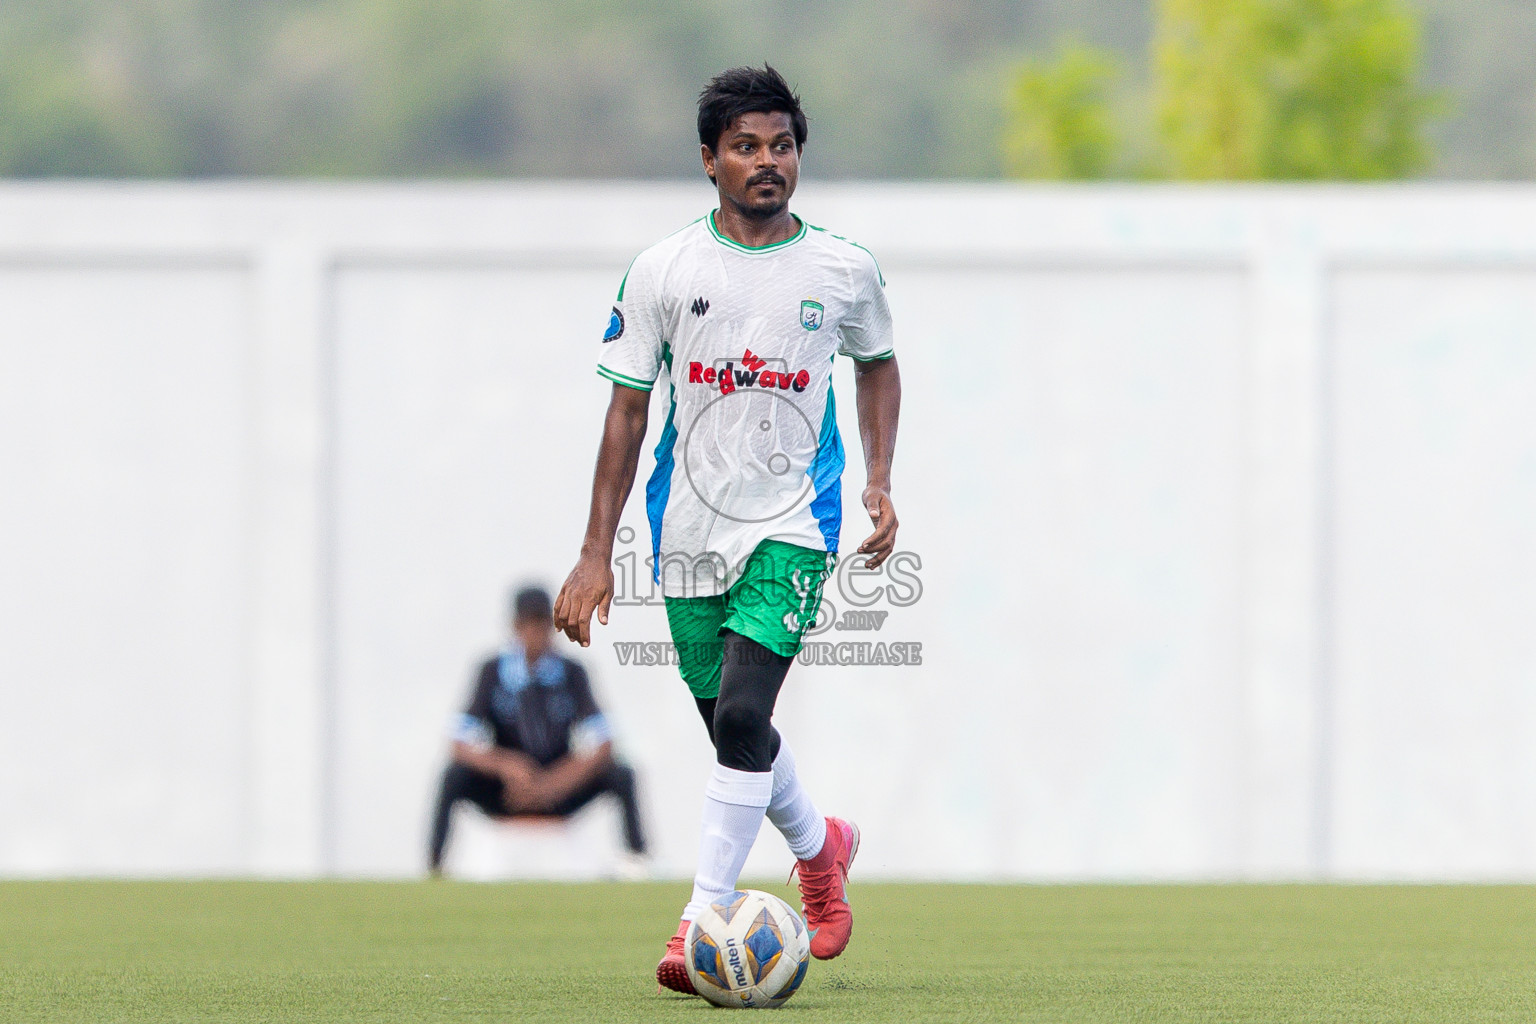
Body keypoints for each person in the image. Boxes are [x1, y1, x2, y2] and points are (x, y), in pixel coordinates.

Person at [553, 65, 902, 994]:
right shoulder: (664, 270)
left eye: (782, 146)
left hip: (795, 525)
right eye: (746, 147)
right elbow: (626, 415)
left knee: (748, 715)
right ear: (708, 160)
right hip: (688, 531)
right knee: (730, 730)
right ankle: (820, 848)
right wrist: (596, 554)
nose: (767, 162)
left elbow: (877, 367)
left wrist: (877, 478)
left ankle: (698, 920)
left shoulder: (843, 268)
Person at [428, 585, 646, 876]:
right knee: (453, 776)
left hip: (558, 788)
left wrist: (555, 782)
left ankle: (637, 861)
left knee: (621, 774)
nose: (535, 633)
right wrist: (506, 766)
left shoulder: (571, 672)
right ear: (515, 627)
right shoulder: (492, 671)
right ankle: (434, 866)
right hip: (506, 791)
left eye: (543, 624)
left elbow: (604, 741)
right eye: (528, 624)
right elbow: (458, 741)